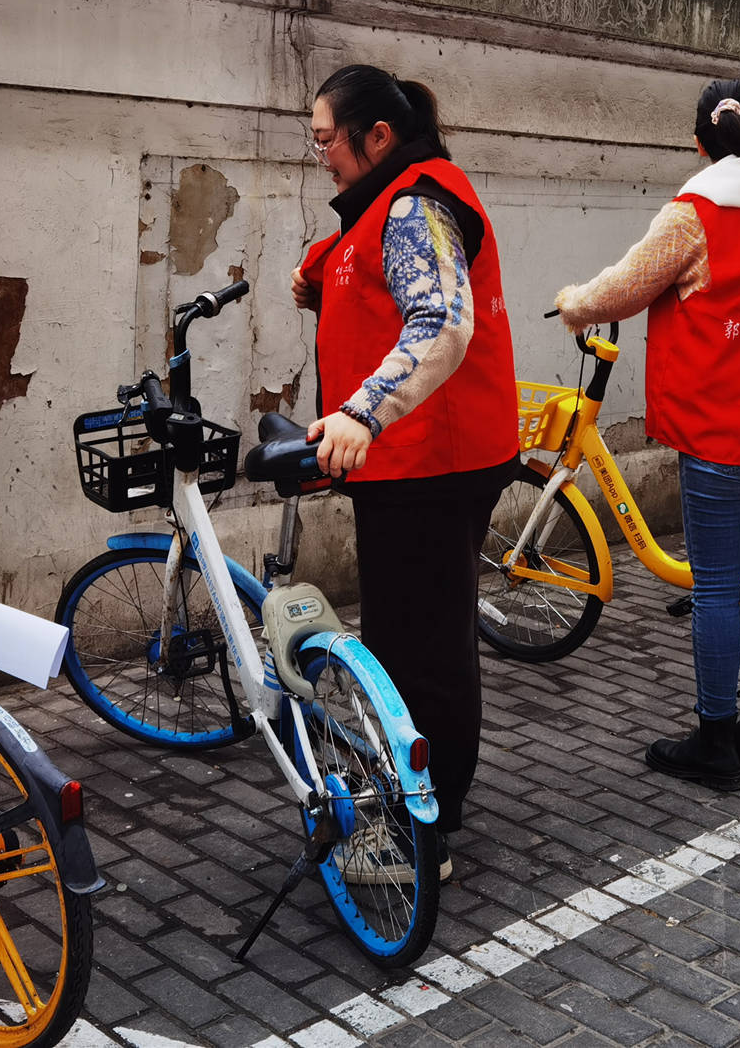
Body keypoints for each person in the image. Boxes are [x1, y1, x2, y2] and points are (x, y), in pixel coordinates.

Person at [555, 79, 740, 792]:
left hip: (723, 427)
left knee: (718, 586)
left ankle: (715, 739)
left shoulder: (695, 212)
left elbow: (623, 289)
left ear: (700, 144)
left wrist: (573, 303)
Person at [290, 65, 517, 879]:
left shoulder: (417, 202)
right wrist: (325, 287)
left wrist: (362, 411)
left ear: (377, 136)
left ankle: (426, 827)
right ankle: (423, 803)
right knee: (414, 639)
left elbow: (442, 320)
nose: (322, 155)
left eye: (328, 140)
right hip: (415, 460)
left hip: (430, 462)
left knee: (421, 651)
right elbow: (387, 290)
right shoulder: (393, 200)